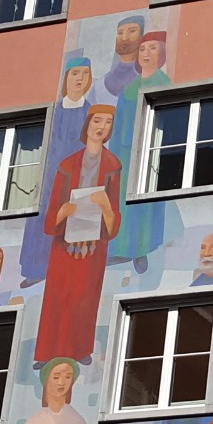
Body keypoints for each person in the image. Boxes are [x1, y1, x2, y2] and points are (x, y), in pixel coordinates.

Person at [34, 106, 121, 366]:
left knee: (86, 296)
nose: (101, 127)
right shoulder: (68, 165)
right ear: (87, 124)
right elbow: (52, 212)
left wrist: (105, 208)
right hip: (65, 243)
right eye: (97, 121)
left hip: (94, 244)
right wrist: (64, 211)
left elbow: (114, 213)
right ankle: (47, 353)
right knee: (58, 296)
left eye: (108, 122)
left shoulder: (113, 166)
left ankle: (80, 349)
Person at [22, 56, 100, 287]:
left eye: (85, 74)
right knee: (44, 217)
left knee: (74, 216)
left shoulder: (90, 112)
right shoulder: (54, 111)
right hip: (50, 175)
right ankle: (36, 268)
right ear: (66, 78)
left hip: (78, 173)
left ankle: (69, 268)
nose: (80, 79)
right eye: (75, 73)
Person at [110, 30, 172, 268]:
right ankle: (122, 249)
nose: (146, 53)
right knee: (122, 202)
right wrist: (114, 156)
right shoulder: (130, 88)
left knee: (145, 204)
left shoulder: (163, 84)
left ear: (162, 54)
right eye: (143, 49)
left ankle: (141, 250)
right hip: (125, 153)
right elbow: (118, 125)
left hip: (150, 151)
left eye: (153, 48)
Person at [102, 15, 144, 98]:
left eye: (132, 31)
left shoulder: (146, 77)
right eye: (120, 33)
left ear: (141, 36)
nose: (124, 38)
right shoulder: (100, 84)